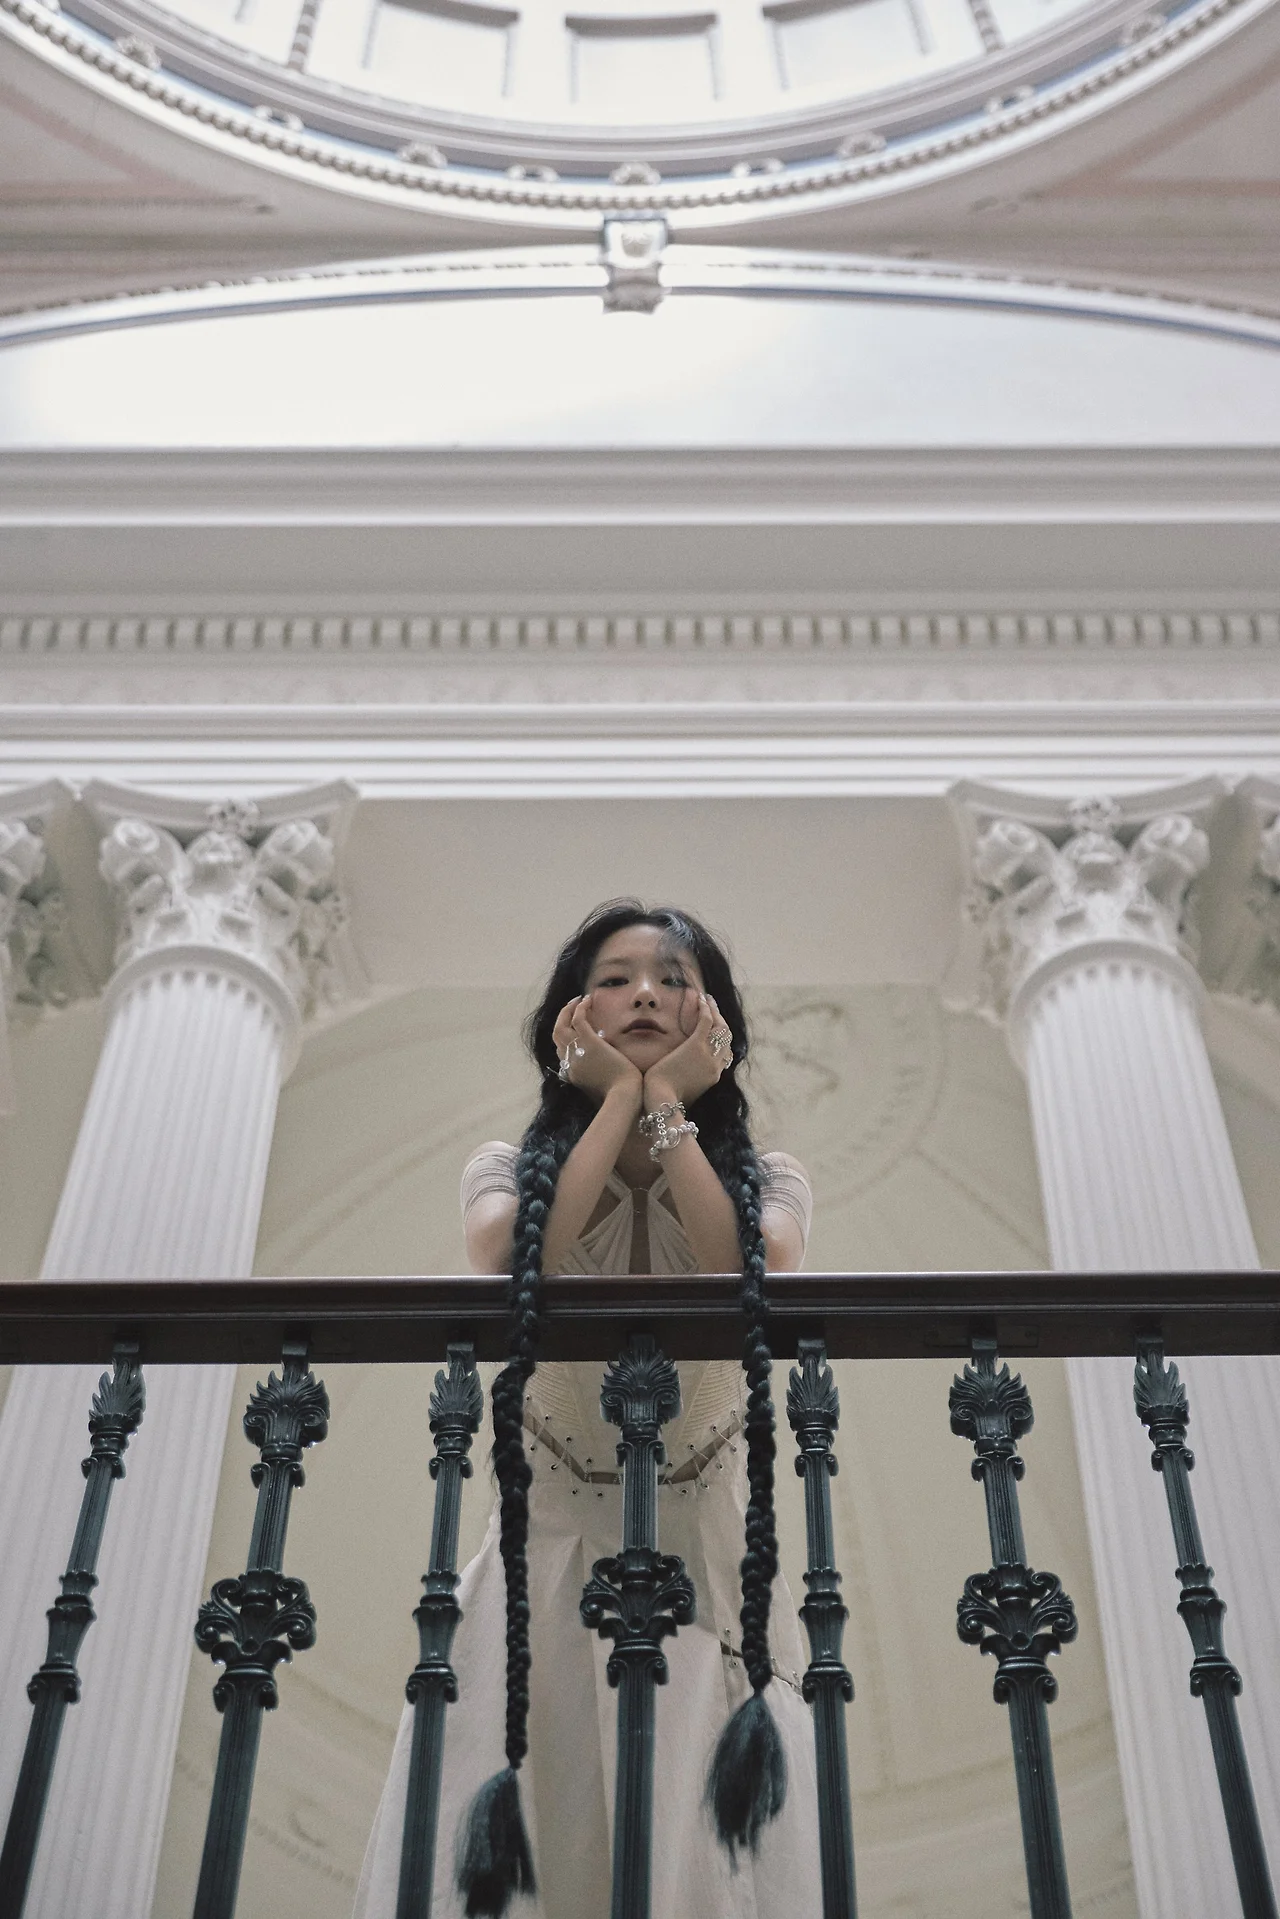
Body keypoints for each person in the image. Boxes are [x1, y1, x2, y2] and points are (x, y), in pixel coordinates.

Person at [354, 902, 820, 1919]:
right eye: (614, 977)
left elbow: (747, 1265)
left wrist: (667, 1108)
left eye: (672, 976)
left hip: (709, 1565)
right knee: (547, 1825)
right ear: (573, 1015)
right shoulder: (500, 1165)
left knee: (701, 1858)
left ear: (713, 1020)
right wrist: (616, 1100)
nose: (645, 992)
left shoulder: (771, 1177)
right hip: (544, 1562)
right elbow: (509, 1254)